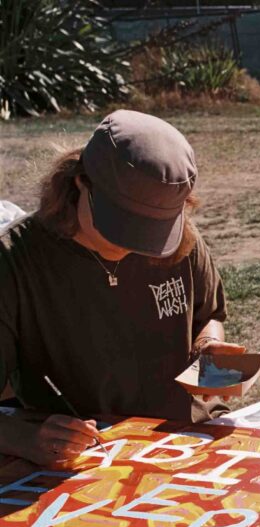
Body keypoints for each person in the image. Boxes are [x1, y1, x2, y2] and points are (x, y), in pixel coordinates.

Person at [0, 110, 243, 468]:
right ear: (81, 183)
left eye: (151, 236)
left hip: (188, 440)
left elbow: (209, 314)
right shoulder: (14, 262)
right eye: (120, 227)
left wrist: (209, 347)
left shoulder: (182, 240)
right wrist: (25, 439)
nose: (131, 247)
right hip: (88, 459)